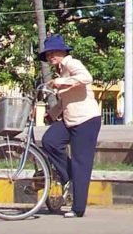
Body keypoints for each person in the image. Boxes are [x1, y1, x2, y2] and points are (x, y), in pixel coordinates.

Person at [39, 34, 102, 218]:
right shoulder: (61, 70)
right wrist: (51, 114)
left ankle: (78, 208)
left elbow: (86, 77)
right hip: (69, 119)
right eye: (48, 54)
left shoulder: (71, 63)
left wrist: (60, 82)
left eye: (54, 52)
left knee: (81, 162)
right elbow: (65, 99)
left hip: (86, 120)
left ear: (63, 51)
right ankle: (68, 175)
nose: (51, 56)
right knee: (50, 140)